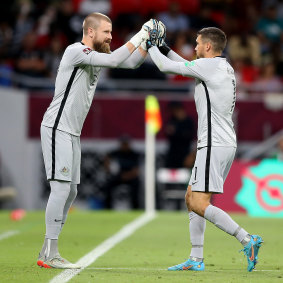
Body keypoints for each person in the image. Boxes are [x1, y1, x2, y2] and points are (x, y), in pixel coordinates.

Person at [38, 12, 153, 269]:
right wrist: (142, 33)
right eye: (107, 32)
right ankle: (50, 253)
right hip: (57, 127)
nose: (110, 37)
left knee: (72, 191)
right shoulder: (75, 50)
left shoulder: (98, 57)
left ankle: (48, 248)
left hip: (72, 132)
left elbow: (129, 63)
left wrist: (148, 44)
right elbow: (116, 57)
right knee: (61, 189)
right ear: (90, 32)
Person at [145, 24, 263, 272]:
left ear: (208, 46)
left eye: (198, 43)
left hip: (214, 143)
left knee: (199, 202)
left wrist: (149, 45)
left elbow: (168, 68)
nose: (195, 47)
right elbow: (185, 65)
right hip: (222, 141)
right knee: (191, 198)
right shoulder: (222, 66)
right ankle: (196, 258)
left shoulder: (209, 67)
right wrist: (164, 47)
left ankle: (247, 239)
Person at [102, 135, 140, 209]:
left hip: (130, 177)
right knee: (108, 185)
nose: (124, 146)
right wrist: (108, 167)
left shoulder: (134, 155)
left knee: (136, 185)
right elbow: (106, 160)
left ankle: (135, 207)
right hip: (117, 176)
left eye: (126, 144)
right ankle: (107, 208)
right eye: (123, 144)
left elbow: (136, 171)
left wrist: (126, 176)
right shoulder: (115, 153)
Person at [165, 101, 195, 168]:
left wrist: (176, 132)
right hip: (173, 155)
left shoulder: (189, 122)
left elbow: (189, 136)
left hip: (185, 154)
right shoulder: (172, 120)